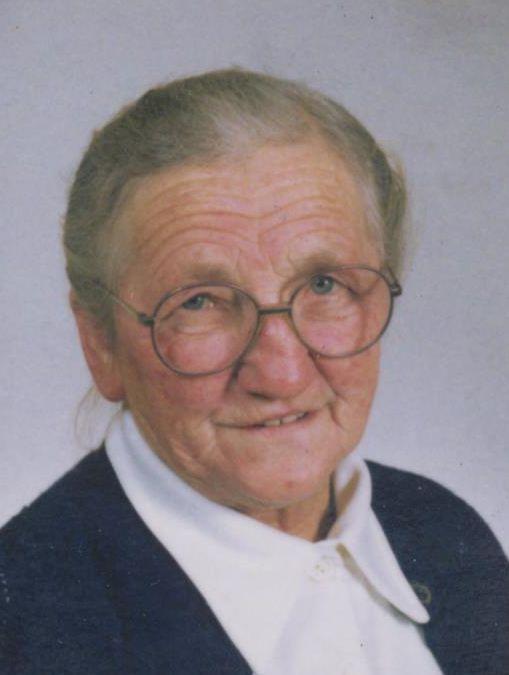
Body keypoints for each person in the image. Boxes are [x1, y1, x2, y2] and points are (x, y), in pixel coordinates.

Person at [0, 69, 507, 675]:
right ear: (100, 344)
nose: (283, 374)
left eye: (325, 285)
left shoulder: (444, 535)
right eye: (199, 302)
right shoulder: (24, 627)